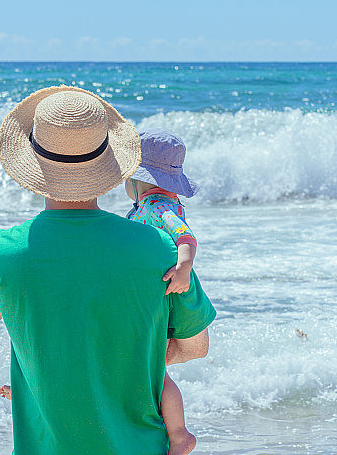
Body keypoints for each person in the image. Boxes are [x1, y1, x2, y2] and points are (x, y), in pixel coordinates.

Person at [0, 86, 216, 455]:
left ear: (33, 161)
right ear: (111, 163)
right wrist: (120, 358)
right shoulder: (160, 247)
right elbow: (196, 347)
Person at [124, 128, 200, 453]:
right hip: (158, 296)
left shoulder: (157, 206)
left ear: (136, 178)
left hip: (158, 299)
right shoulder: (162, 202)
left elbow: (186, 237)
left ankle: (180, 434)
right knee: (155, 370)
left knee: (158, 374)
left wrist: (185, 266)